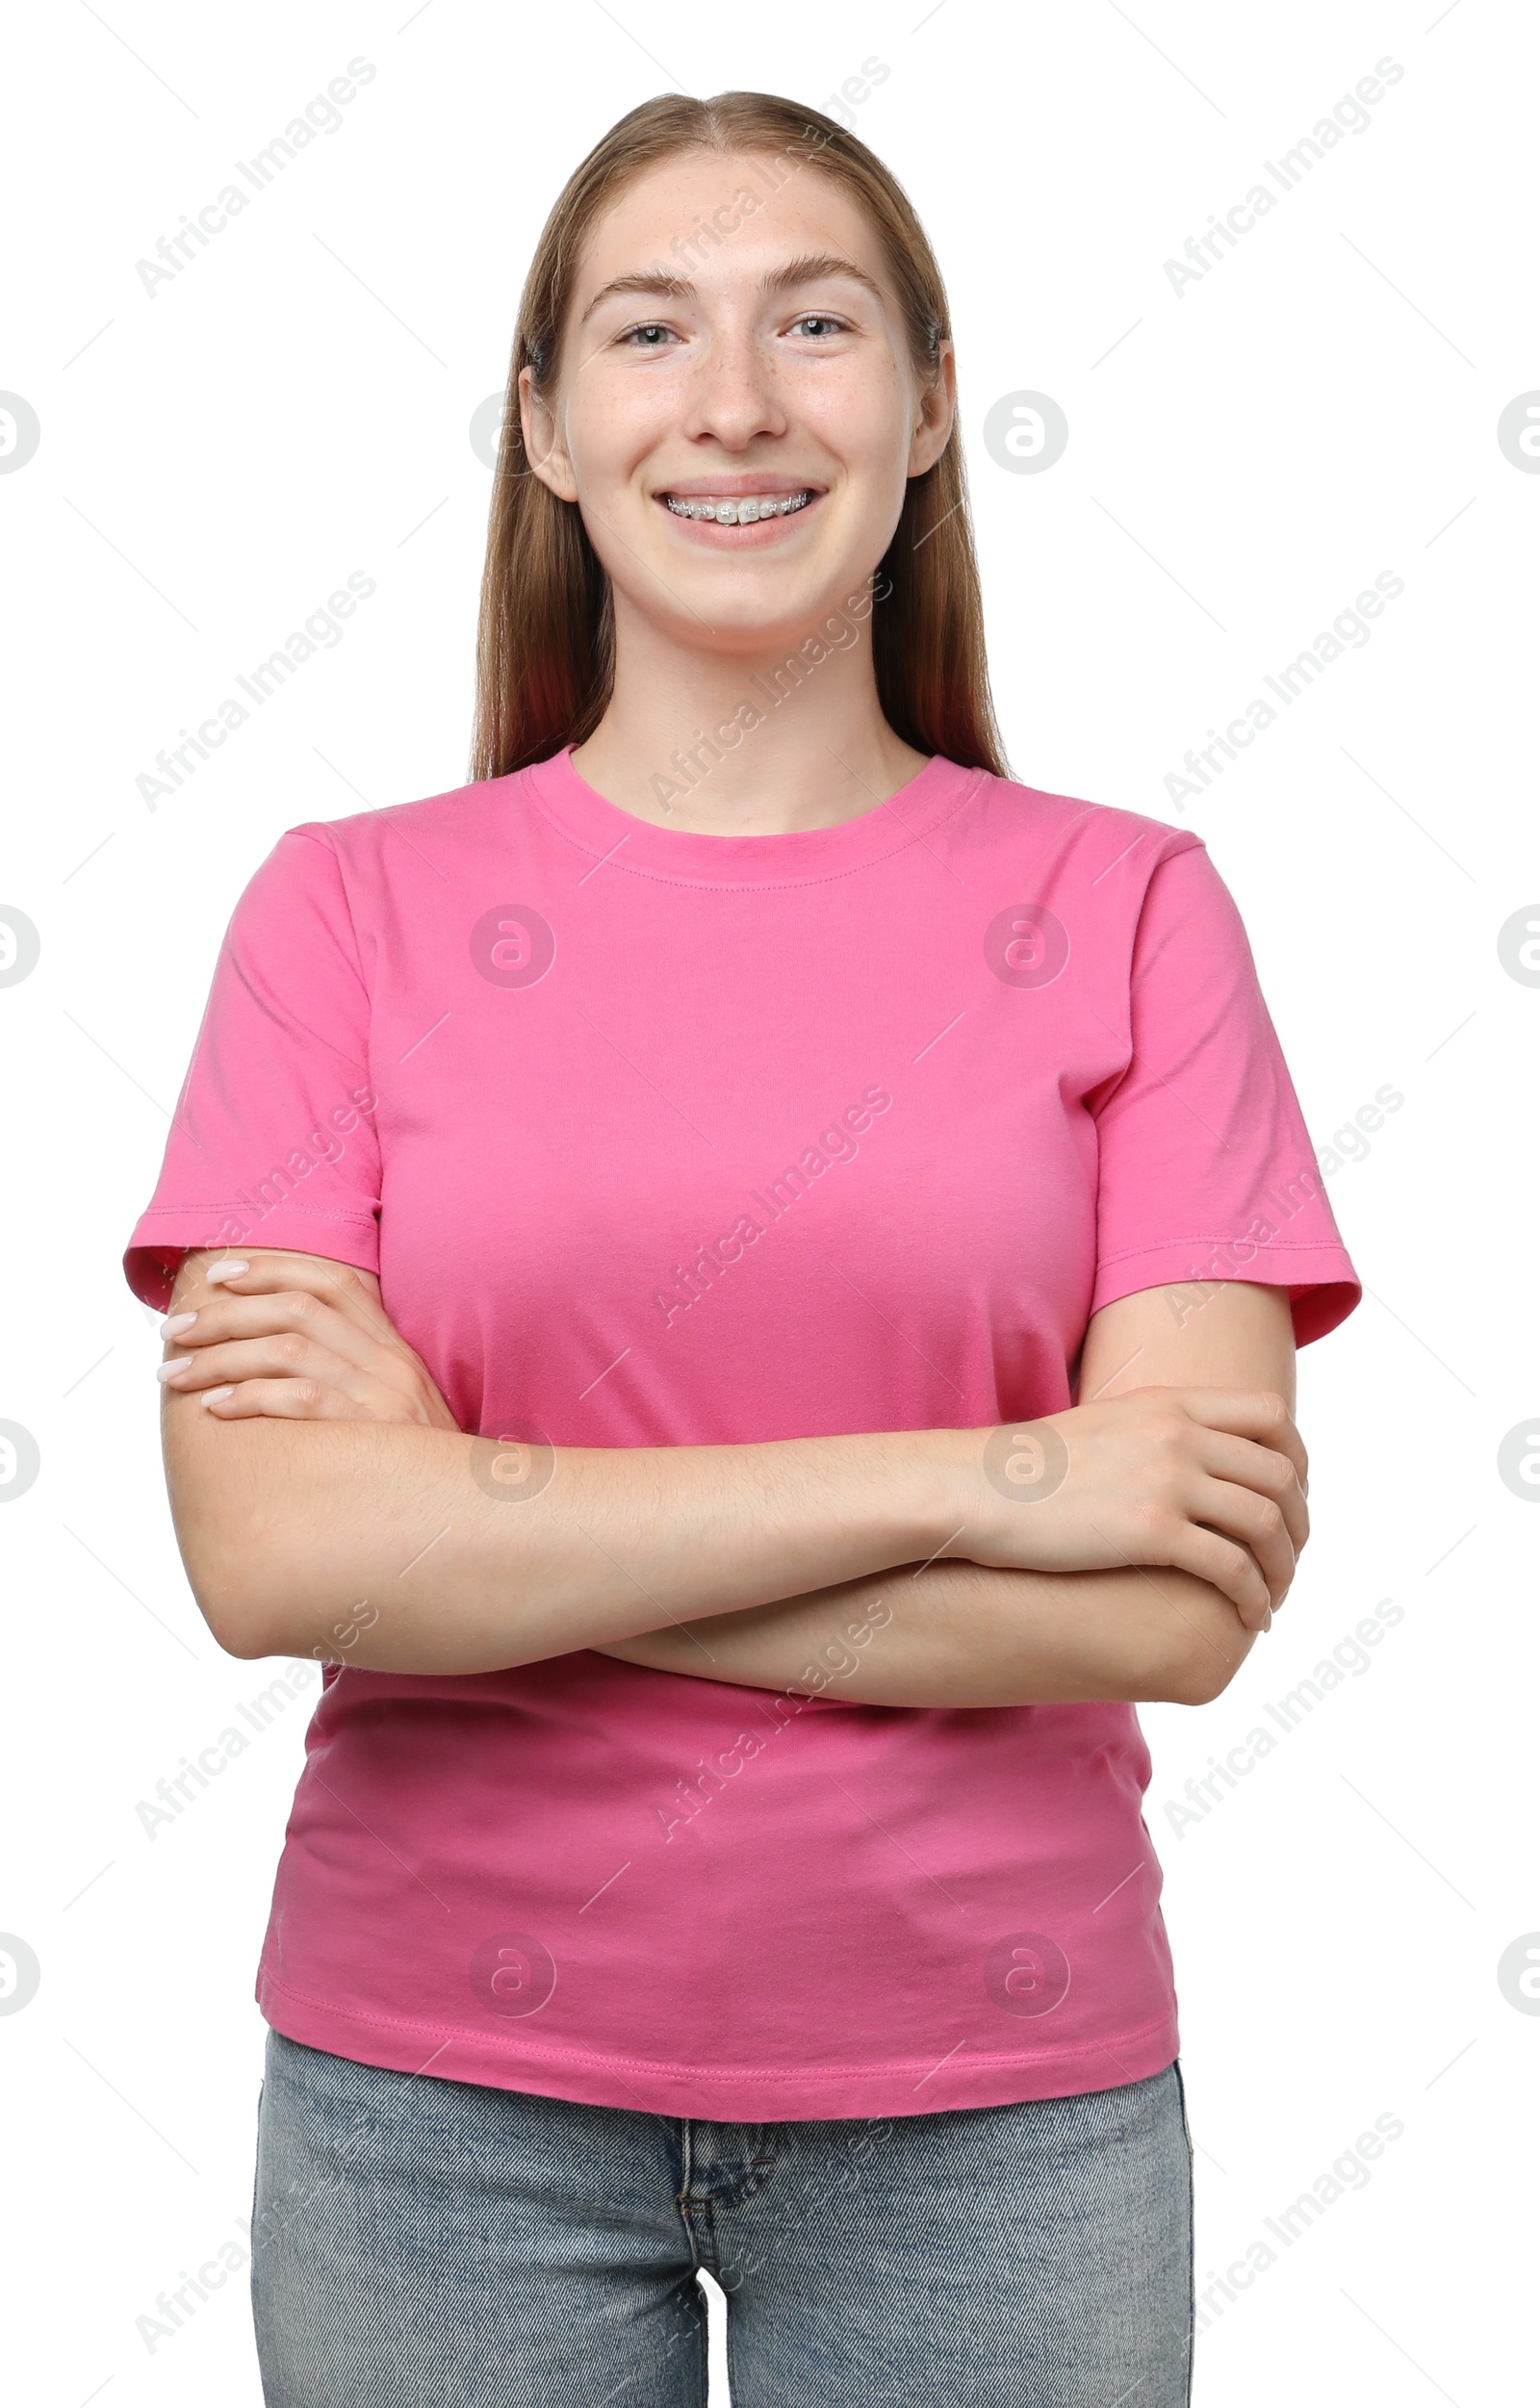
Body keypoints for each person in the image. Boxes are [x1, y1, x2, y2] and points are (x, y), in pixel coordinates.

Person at [124, 89, 1361, 2408]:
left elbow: (1178, 1600)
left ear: (917, 408)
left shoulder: (1126, 911)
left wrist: (478, 1516)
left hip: (1001, 2113)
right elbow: (277, 1560)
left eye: (812, 323)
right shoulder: (345, 915)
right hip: (437, 2108)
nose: (731, 401)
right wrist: (994, 1479)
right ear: (546, 427)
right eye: (645, 330)